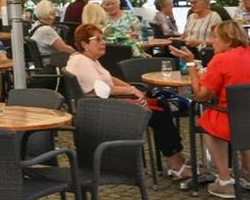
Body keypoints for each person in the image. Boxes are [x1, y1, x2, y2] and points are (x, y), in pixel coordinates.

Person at [170, 20, 250, 199]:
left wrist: (190, 65)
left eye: (215, 37)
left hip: (236, 122)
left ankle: (224, 180)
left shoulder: (221, 59)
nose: (212, 41)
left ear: (228, 40)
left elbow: (200, 95)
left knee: (208, 122)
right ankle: (249, 172)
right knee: (243, 112)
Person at [68, 25, 190, 178]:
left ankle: (177, 156)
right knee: (160, 114)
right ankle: (176, 163)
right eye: (97, 39)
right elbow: (103, 89)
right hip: (104, 112)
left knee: (161, 105)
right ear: (85, 44)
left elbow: (109, 78)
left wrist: (131, 88)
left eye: (103, 38)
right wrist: (132, 91)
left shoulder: (88, 59)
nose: (103, 42)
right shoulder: (82, 62)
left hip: (106, 106)